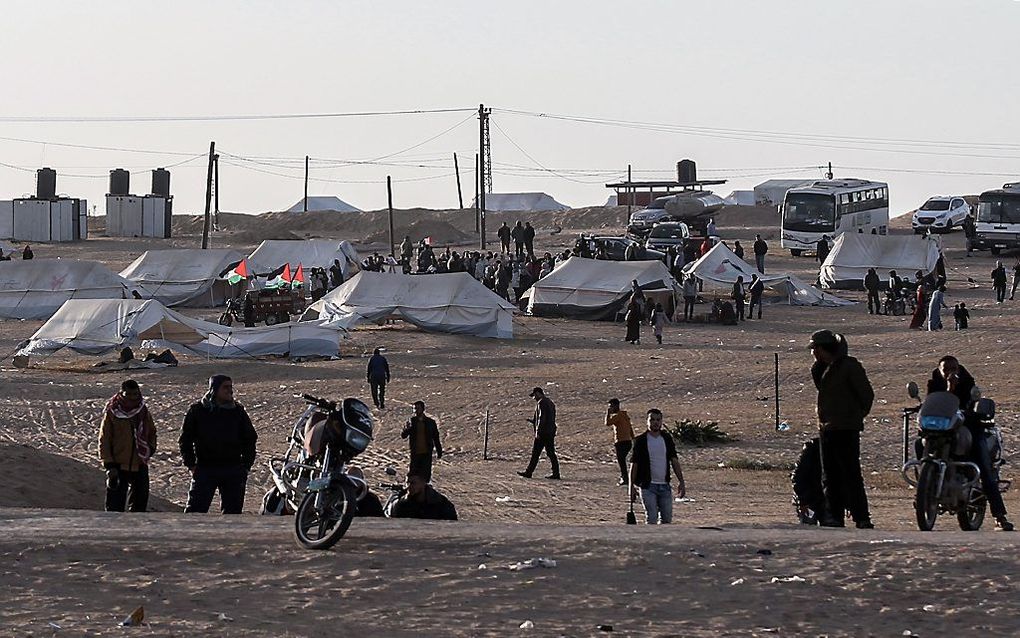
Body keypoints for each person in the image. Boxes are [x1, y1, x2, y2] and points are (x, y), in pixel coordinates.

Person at [926, 356, 1013, 530]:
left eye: (954, 368)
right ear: (939, 369)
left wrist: (954, 389)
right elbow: (932, 403)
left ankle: (999, 516)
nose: (951, 372)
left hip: (967, 427)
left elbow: (970, 403)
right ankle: (926, 483)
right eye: (946, 369)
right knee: (920, 444)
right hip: (942, 428)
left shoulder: (967, 381)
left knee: (984, 466)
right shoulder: (934, 382)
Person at [809, 330, 874, 528]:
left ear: (823, 348)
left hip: (846, 428)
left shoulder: (849, 367)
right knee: (829, 474)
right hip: (827, 427)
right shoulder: (820, 369)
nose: (813, 353)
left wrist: (854, 415)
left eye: (815, 349)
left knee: (851, 473)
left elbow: (866, 395)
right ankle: (834, 516)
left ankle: (861, 517)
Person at [180, 375, 258, 514]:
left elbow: (250, 438)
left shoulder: (238, 411)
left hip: (232, 469)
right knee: (194, 513)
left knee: (232, 515)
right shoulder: (198, 411)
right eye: (225, 387)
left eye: (230, 387)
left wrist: (245, 466)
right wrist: (191, 465)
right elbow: (185, 439)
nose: (230, 391)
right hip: (205, 468)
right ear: (214, 390)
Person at [99, 379, 157, 512]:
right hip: (118, 464)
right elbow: (105, 439)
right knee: (115, 507)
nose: (132, 398)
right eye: (128, 395)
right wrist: (109, 464)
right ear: (121, 394)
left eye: (135, 394)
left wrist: (150, 448)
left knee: (139, 505)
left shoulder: (143, 411)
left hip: (140, 462)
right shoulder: (113, 412)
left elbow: (152, 432)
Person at [629, 408, 686, 524]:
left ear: (661, 421)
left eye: (658, 420)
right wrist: (631, 487)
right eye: (652, 420)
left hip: (664, 486)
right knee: (652, 518)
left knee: (666, 519)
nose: (655, 422)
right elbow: (634, 465)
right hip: (647, 486)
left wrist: (681, 481)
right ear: (647, 421)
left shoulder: (666, 439)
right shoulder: (641, 441)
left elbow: (674, 460)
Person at [518, 387, 560, 479]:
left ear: (538, 393)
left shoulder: (541, 403)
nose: (534, 398)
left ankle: (529, 472)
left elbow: (542, 418)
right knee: (551, 453)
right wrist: (534, 421)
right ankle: (556, 473)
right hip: (550, 431)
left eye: (534, 395)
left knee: (536, 453)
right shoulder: (550, 402)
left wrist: (538, 431)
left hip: (543, 432)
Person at [401, 401, 443, 483]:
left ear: (423, 409)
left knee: (425, 474)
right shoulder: (411, 421)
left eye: (417, 408)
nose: (416, 411)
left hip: (426, 452)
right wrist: (408, 428)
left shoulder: (430, 422)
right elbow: (403, 435)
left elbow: (436, 437)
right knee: (413, 474)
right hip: (415, 452)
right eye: (414, 409)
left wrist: (439, 450)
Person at [387, 473, 458, 520]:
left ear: (423, 483)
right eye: (407, 483)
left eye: (413, 483)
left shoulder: (441, 505)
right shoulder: (401, 504)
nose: (409, 487)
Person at [606, 399, 634, 486]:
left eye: (611, 406)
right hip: (628, 441)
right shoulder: (624, 415)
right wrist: (633, 438)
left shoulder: (618, 416)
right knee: (623, 460)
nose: (610, 408)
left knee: (621, 461)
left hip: (621, 441)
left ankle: (625, 478)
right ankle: (626, 477)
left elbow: (607, 423)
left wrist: (607, 413)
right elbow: (630, 427)